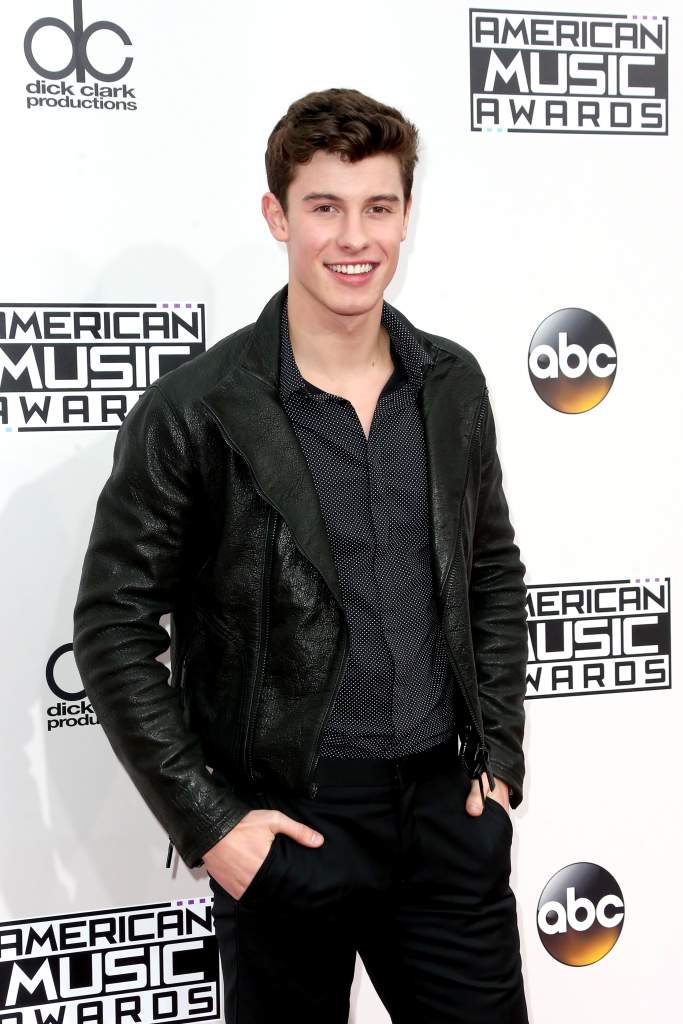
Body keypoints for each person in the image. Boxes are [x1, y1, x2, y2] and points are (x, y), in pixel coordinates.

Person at [73, 87, 529, 1023]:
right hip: (286, 823)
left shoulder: (451, 384)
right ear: (277, 216)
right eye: (324, 207)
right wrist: (213, 826)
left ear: (406, 215)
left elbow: (490, 570)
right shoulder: (195, 410)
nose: (353, 238)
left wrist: (498, 757)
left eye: (378, 207)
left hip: (445, 818)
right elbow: (113, 627)